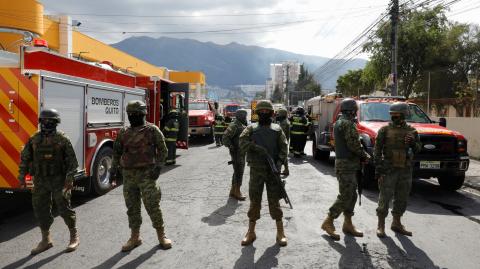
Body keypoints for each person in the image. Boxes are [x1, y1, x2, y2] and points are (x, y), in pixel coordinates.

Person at [110, 100, 172, 251]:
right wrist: (114, 169)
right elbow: (117, 152)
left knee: (152, 205)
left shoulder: (152, 130)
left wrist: (158, 168)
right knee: (132, 207)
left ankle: (161, 235)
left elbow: (163, 150)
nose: (132, 117)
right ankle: (135, 237)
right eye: (130, 114)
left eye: (135, 114)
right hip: (129, 176)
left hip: (147, 175)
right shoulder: (124, 132)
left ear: (143, 114)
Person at [18, 108, 80, 254]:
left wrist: (69, 179)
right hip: (40, 180)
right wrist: (22, 176)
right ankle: (46, 240)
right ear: (40, 122)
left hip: (59, 180)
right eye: (44, 121)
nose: (47, 123)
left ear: (56, 123)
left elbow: (72, 163)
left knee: (64, 208)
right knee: (40, 209)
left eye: (50, 121)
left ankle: (74, 236)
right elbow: (25, 159)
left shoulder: (63, 139)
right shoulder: (34, 139)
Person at [239, 100, 289, 247]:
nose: (264, 113)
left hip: (273, 172)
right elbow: (241, 143)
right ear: (257, 114)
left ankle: (280, 232)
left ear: (272, 113)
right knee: (255, 201)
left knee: (275, 202)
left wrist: (279, 163)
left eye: (267, 111)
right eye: (261, 111)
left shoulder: (277, 129)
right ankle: (251, 232)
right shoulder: (251, 129)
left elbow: (284, 148)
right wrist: (255, 148)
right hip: (256, 171)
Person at [321, 98, 370, 241]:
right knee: (346, 195)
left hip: (348, 164)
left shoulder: (340, 123)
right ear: (352, 111)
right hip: (346, 165)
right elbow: (354, 145)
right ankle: (328, 221)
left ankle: (347, 224)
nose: (356, 113)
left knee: (352, 195)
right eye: (355, 110)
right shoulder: (347, 124)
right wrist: (366, 155)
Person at [374, 102, 421, 237]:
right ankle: (381, 225)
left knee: (402, 197)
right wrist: (379, 170)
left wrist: (412, 143)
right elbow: (377, 152)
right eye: (392, 115)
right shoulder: (384, 130)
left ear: (404, 115)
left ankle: (396, 223)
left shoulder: (412, 131)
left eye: (397, 114)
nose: (394, 117)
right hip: (389, 169)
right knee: (385, 197)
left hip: (405, 169)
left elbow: (418, 149)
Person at [223, 110, 248, 201]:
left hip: (241, 152)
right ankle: (237, 191)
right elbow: (225, 137)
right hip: (237, 153)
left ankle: (233, 190)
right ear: (240, 116)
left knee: (237, 171)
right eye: (244, 116)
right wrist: (231, 146)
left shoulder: (241, 125)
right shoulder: (234, 125)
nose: (245, 117)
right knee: (239, 172)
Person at [276, 108, 290, 176]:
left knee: (281, 157)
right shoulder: (284, 121)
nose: (277, 116)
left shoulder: (284, 123)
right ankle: (286, 170)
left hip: (282, 142)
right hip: (284, 142)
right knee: (284, 156)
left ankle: (278, 172)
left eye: (279, 114)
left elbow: (281, 133)